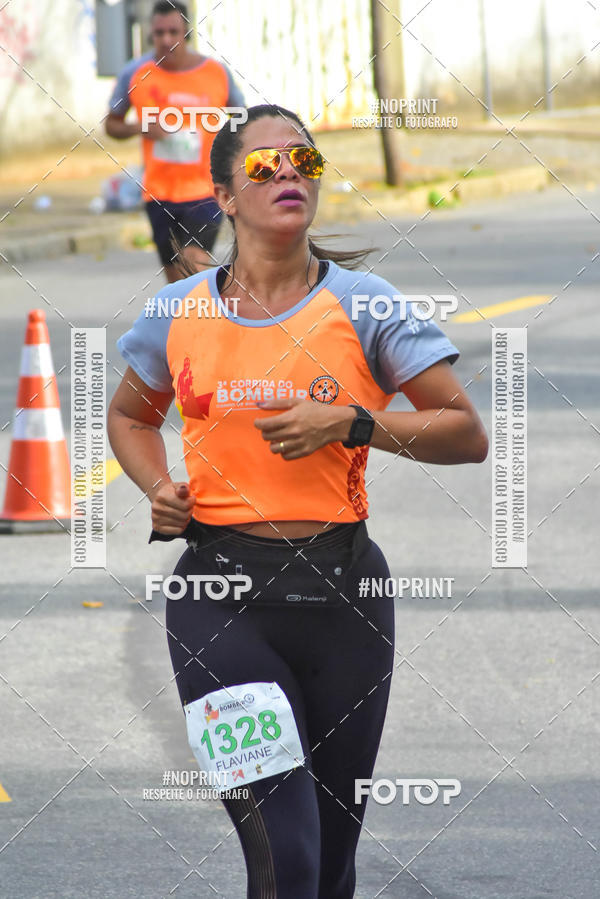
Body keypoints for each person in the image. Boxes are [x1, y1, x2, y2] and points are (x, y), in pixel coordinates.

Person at [108, 104, 488, 898]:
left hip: (348, 597)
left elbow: (464, 433)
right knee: (288, 855)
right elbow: (131, 414)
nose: (288, 175)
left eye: (305, 163)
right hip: (220, 600)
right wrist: (157, 487)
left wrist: (354, 421)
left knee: (332, 864)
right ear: (224, 196)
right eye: (264, 166)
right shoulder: (178, 310)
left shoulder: (366, 303)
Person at [105, 0, 245, 282]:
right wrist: (139, 126)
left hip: (205, 190)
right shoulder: (134, 73)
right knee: (176, 281)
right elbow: (112, 124)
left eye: (173, 31)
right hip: (158, 193)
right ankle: (188, 324)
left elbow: (242, 119)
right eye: (159, 33)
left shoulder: (215, 73)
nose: (166, 39)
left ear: (186, 33)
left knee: (194, 267)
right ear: (150, 35)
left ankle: (211, 321)